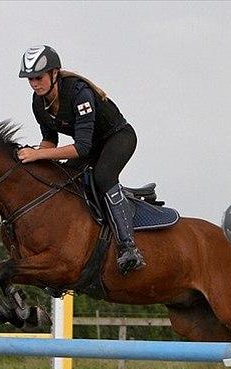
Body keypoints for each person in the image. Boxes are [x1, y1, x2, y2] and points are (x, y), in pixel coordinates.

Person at [16, 45, 145, 275]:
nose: (35, 83)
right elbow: (49, 141)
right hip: (90, 147)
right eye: (30, 79)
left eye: (39, 77)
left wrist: (37, 154)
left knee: (103, 177)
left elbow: (82, 147)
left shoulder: (79, 93)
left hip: (118, 138)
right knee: (63, 180)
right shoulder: (39, 102)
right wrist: (34, 157)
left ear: (54, 73)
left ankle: (128, 246)